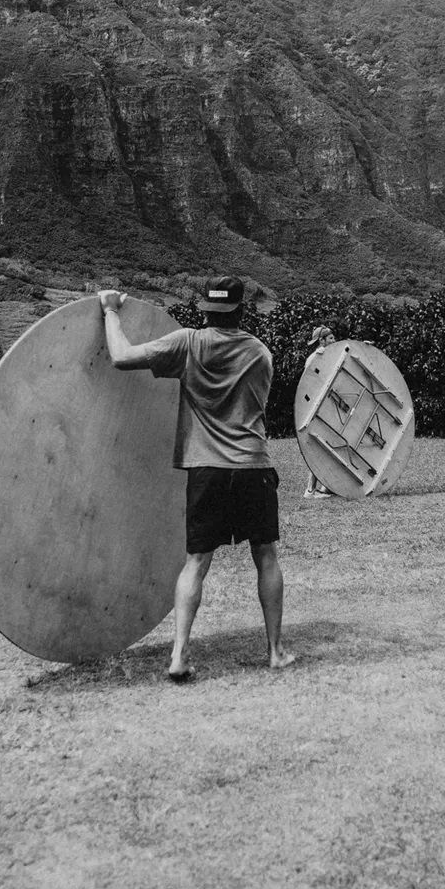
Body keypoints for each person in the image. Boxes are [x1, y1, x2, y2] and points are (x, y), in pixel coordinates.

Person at [100, 276, 295, 681]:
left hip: (206, 469)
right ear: (243, 310)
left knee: (196, 563)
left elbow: (120, 357)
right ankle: (275, 652)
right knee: (266, 555)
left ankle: (179, 657)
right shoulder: (261, 354)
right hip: (252, 467)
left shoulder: (187, 343)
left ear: (205, 310)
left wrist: (110, 310)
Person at [301, 325, 338, 499]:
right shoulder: (316, 357)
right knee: (319, 446)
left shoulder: (326, 355)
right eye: (330, 338)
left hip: (326, 407)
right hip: (318, 408)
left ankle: (325, 487)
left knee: (329, 444)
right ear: (322, 341)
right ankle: (310, 490)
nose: (334, 341)